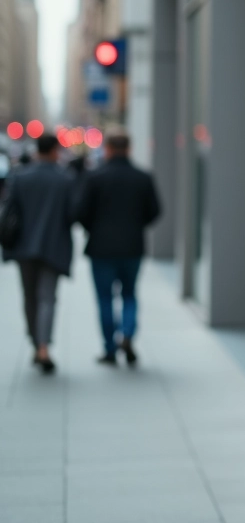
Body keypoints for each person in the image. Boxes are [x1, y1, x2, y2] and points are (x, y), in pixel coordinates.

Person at [75, 133, 162, 365]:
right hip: (132, 246)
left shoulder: (95, 177)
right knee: (129, 294)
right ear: (129, 149)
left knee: (105, 298)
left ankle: (110, 348)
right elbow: (154, 211)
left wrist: (94, 228)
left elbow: (80, 212)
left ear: (108, 149)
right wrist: (135, 226)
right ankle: (128, 334)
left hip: (101, 248)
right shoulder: (142, 177)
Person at [0, 134, 75, 374]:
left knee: (30, 297)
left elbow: (9, 211)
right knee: (47, 298)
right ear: (54, 150)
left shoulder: (21, 177)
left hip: (24, 247)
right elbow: (73, 213)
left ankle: (36, 343)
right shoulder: (65, 178)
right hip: (54, 246)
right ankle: (43, 346)